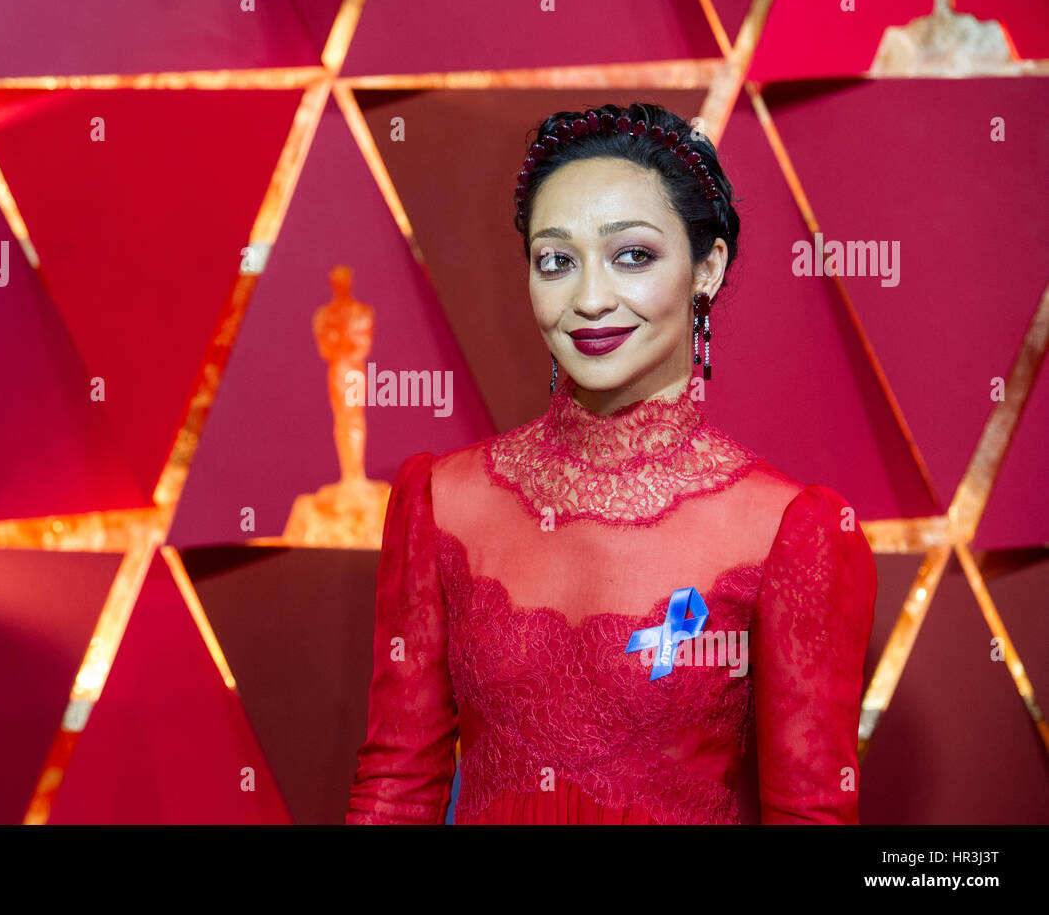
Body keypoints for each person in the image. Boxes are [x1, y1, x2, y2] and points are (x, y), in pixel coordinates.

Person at [346, 103, 878, 825]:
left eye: (633, 255)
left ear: (708, 268)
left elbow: (811, 815)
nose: (590, 300)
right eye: (557, 261)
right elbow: (395, 790)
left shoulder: (787, 527)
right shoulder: (442, 499)